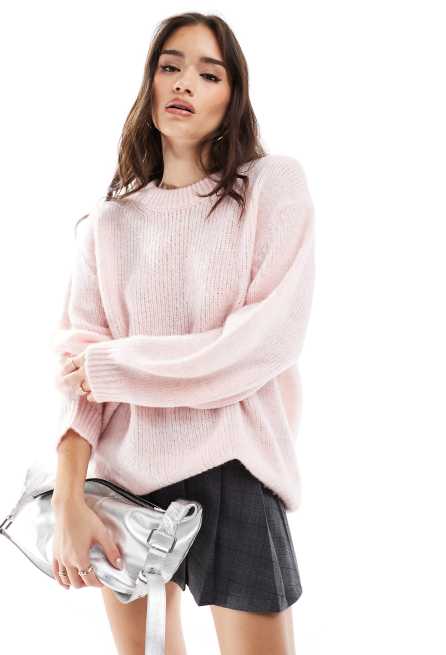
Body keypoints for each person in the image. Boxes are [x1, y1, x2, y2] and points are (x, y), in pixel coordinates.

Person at [50, 11, 315, 655]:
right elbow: (78, 381)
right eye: (170, 66)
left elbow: (259, 345)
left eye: (209, 73)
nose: (184, 83)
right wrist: (66, 502)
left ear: (233, 97)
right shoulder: (108, 224)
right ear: (150, 83)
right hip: (124, 483)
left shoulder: (270, 187)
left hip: (235, 467)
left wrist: (118, 367)